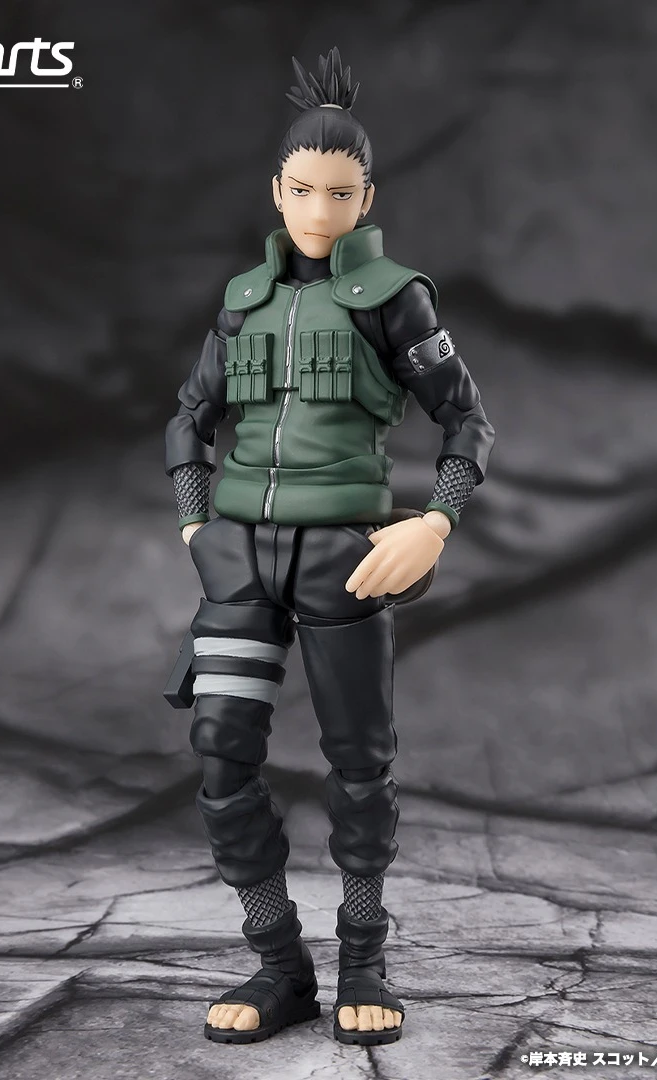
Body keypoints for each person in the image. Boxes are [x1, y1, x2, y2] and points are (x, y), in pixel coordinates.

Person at [164, 47, 494, 1046]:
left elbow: (467, 422)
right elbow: (189, 417)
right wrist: (195, 523)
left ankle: (363, 958)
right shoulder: (242, 300)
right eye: (302, 189)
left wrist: (433, 520)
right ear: (277, 190)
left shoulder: (396, 297)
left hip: (344, 560)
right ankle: (279, 963)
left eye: (339, 192)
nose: (318, 209)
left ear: (367, 197)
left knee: (359, 764)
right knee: (221, 757)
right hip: (238, 563)